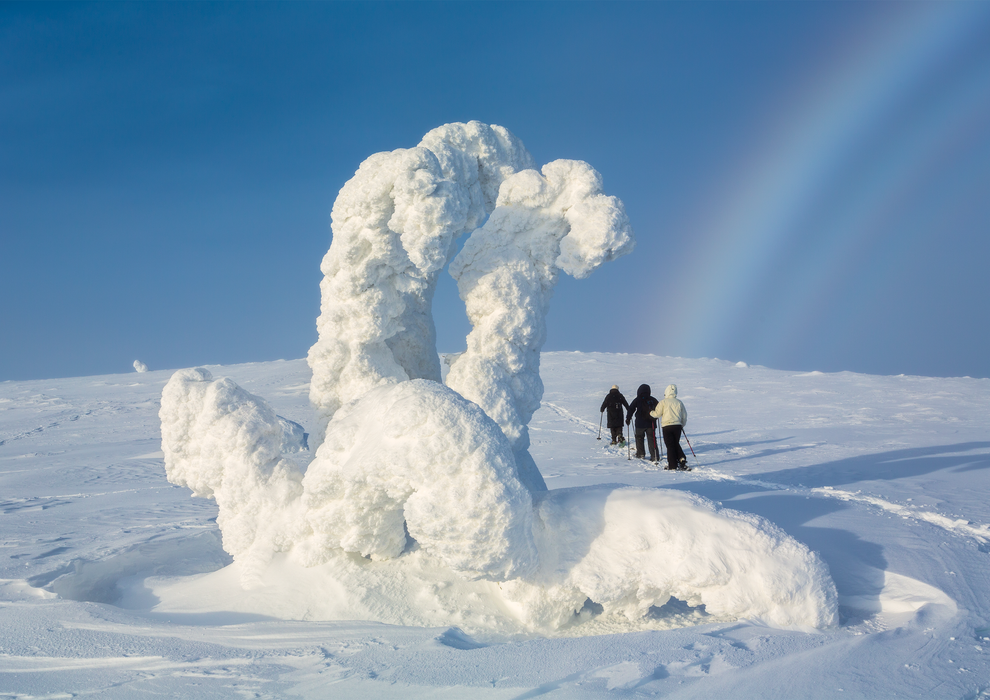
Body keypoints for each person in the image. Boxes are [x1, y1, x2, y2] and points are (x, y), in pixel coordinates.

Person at [651, 384, 688, 469]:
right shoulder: (679, 402)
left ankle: (672, 465)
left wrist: (651, 413)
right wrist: (682, 424)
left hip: (667, 426)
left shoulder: (663, 402)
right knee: (675, 443)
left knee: (670, 445)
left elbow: (657, 414)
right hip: (677, 426)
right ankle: (681, 458)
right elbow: (684, 415)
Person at [625, 383, 659, 461]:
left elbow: (631, 409)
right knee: (652, 439)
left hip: (640, 423)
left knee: (639, 438)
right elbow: (659, 409)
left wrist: (628, 418)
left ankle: (640, 454)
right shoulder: (653, 399)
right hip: (651, 423)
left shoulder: (637, 399)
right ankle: (655, 456)